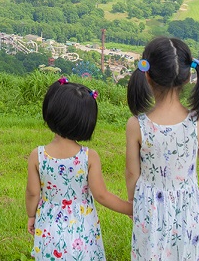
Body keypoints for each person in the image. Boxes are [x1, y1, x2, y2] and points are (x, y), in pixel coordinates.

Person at [125, 36, 199, 261]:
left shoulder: (137, 125)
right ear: (188, 77)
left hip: (149, 209)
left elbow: (132, 173)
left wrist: (133, 203)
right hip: (188, 210)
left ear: (146, 75)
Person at [25, 77, 132, 261]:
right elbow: (102, 195)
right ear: (86, 121)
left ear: (51, 111)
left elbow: (33, 192)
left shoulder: (38, 155)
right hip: (83, 230)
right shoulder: (89, 157)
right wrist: (131, 209)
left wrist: (30, 215)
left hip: (49, 230)